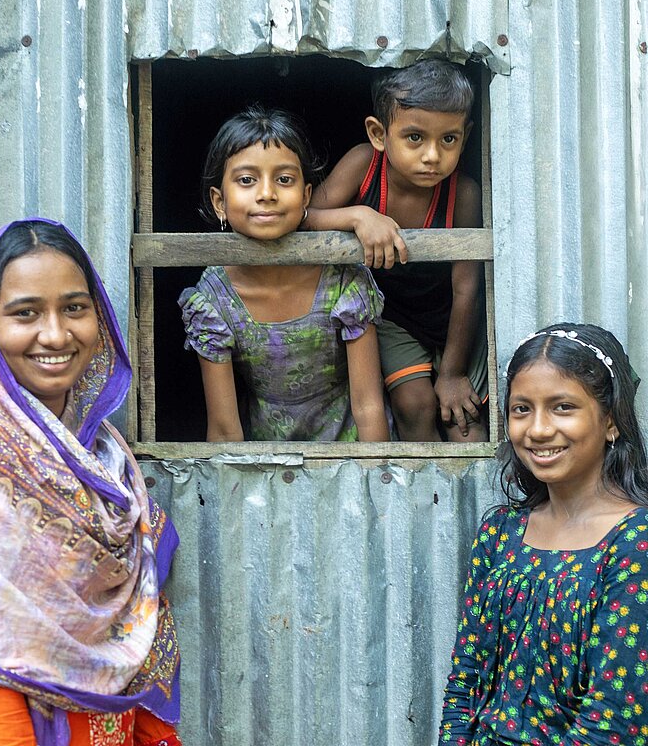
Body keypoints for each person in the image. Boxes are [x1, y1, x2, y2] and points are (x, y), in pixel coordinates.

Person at [0, 219, 181, 746]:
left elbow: (137, 648)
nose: (56, 334)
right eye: (25, 313)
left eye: (75, 308)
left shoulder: (103, 457)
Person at [439, 322, 648, 745]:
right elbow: (465, 683)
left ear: (611, 421)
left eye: (562, 407)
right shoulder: (500, 533)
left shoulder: (635, 542)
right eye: (522, 409)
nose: (537, 430)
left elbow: (614, 724)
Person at [179, 105, 390, 442]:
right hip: (263, 461)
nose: (267, 194)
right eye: (247, 180)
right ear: (219, 202)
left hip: (349, 449)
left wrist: (374, 486)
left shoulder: (343, 281)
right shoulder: (214, 298)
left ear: (306, 195)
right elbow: (223, 427)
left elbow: (368, 408)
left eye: (284, 179)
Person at [306, 58, 488, 442]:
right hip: (392, 317)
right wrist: (358, 215)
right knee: (415, 405)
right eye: (415, 138)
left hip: (453, 320)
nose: (432, 156)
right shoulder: (364, 166)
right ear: (378, 133)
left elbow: (467, 287)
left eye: (448, 139)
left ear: (465, 136)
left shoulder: (464, 194)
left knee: (464, 421)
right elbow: (305, 217)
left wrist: (453, 373)